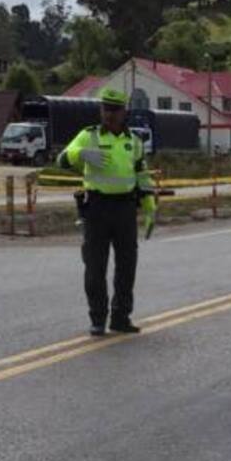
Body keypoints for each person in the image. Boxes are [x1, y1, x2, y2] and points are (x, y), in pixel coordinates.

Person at [57, 87, 157, 336]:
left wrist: (149, 206)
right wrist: (79, 153)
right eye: (105, 109)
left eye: (114, 109)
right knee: (95, 266)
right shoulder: (88, 136)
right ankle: (98, 318)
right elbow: (61, 160)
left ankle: (121, 317)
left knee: (127, 266)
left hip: (124, 208)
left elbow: (141, 175)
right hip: (97, 208)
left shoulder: (134, 142)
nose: (109, 114)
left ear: (125, 112)